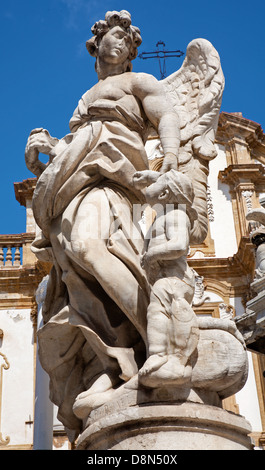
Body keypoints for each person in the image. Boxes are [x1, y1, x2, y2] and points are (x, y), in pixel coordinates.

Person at [25, 10, 181, 434]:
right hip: (77, 180)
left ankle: (158, 338)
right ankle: (112, 359)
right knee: (78, 271)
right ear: (97, 45)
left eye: (126, 41)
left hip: (115, 174)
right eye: (113, 37)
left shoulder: (137, 83)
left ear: (131, 52)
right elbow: (78, 147)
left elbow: (167, 115)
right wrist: (49, 149)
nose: (119, 44)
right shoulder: (87, 96)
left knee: (92, 249)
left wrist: (169, 162)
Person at [133, 169, 199, 387]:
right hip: (164, 277)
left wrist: (151, 255)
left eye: (159, 182)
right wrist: (153, 177)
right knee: (160, 312)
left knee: (157, 312)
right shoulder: (162, 215)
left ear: (165, 195)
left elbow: (180, 245)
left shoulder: (176, 215)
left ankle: (160, 355)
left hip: (174, 276)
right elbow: (153, 189)